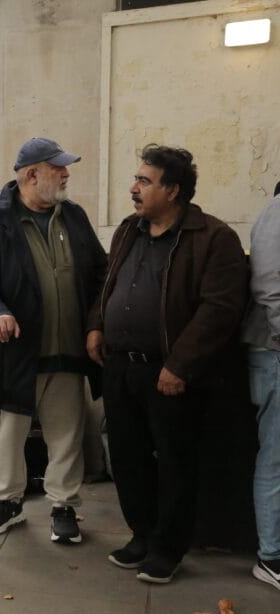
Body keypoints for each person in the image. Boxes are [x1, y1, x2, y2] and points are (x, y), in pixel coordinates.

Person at [87, 144, 247, 584]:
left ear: (173, 190)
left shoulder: (212, 239)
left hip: (171, 374)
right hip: (120, 368)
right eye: (136, 178)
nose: (133, 188)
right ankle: (141, 534)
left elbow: (220, 310)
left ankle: (168, 548)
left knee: (175, 462)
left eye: (144, 180)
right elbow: (109, 282)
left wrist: (180, 364)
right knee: (128, 456)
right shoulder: (128, 231)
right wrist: (97, 324)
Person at [0, 137, 106, 545]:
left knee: (67, 433)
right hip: (17, 351)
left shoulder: (73, 216)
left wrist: (95, 324)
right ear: (30, 175)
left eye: (65, 167)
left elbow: (99, 274)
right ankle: (6, 501)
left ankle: (64, 505)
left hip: (68, 350)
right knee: (10, 432)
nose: (66, 174)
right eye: (57, 168)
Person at [244, 187, 280, 592]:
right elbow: (269, 283)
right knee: (275, 455)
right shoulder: (277, 211)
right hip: (273, 351)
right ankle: (270, 556)